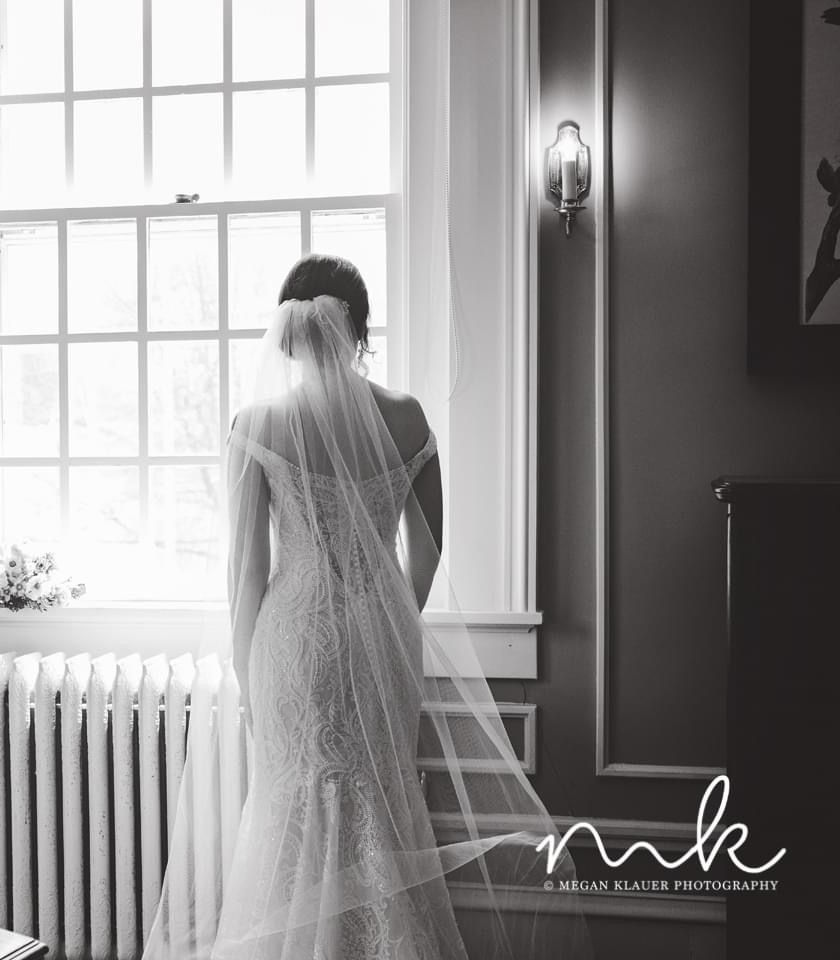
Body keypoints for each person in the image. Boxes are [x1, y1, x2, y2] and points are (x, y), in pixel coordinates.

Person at [142, 255, 591, 960]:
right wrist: (388, 615)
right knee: (381, 798)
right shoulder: (406, 417)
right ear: (360, 326)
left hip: (293, 640)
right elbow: (429, 550)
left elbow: (246, 570)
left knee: (292, 805)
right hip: (380, 634)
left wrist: (248, 669)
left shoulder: (258, 422)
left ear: (289, 331)